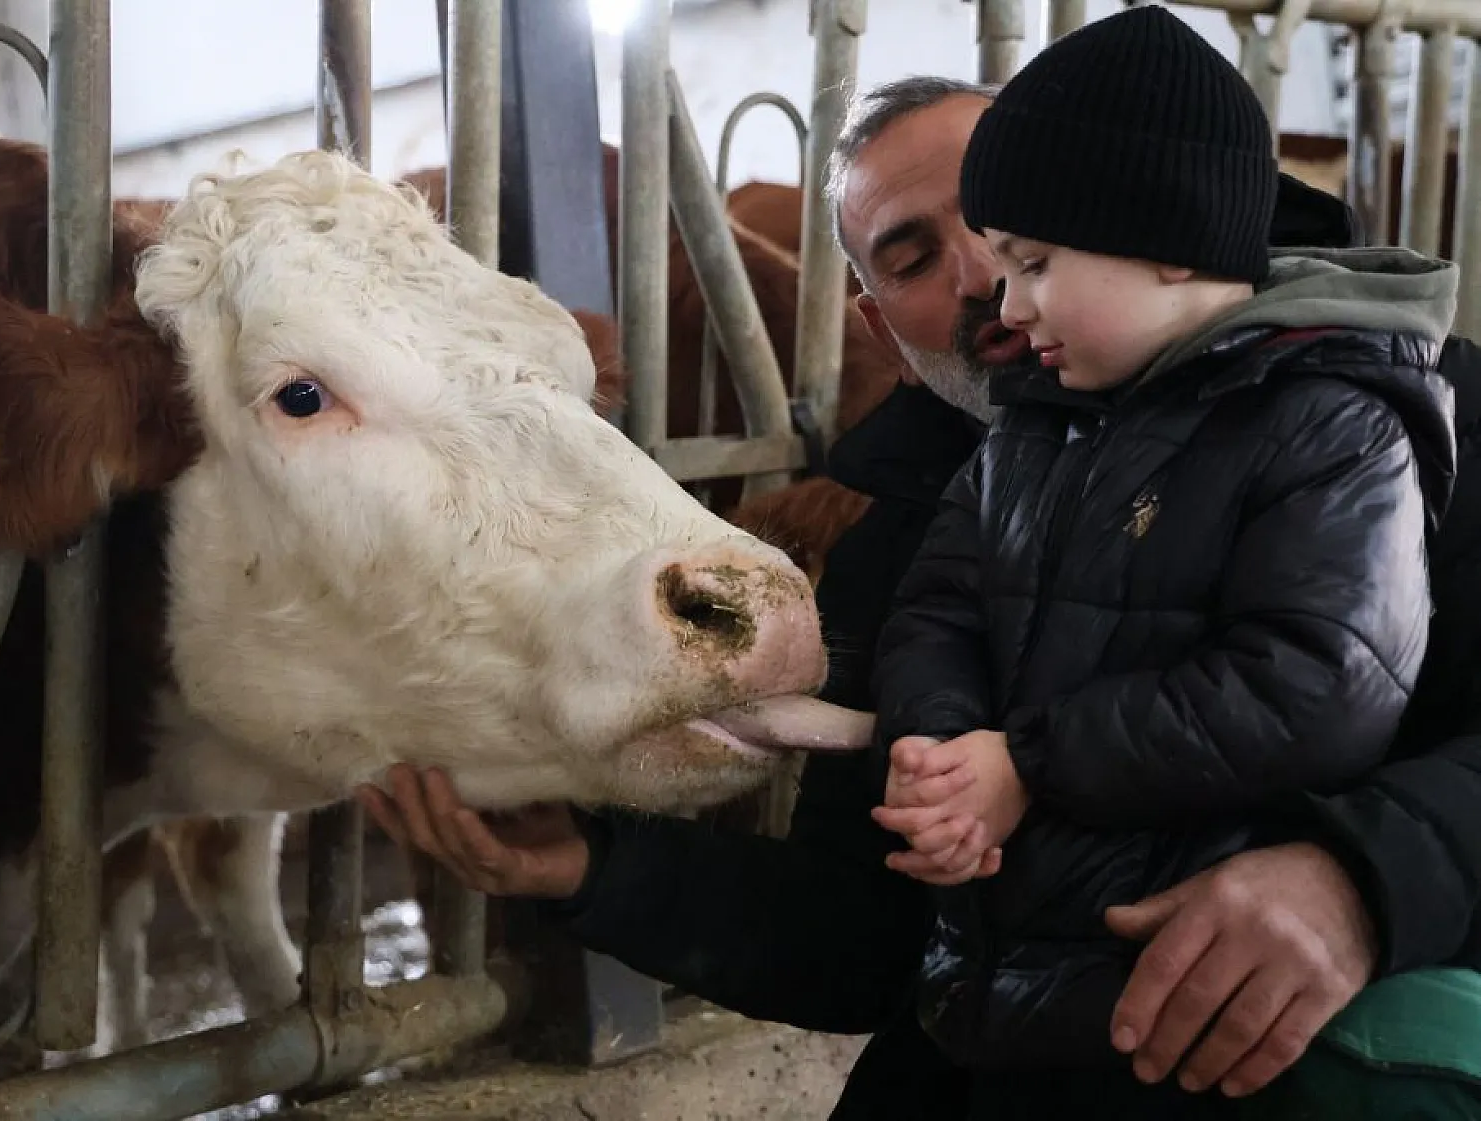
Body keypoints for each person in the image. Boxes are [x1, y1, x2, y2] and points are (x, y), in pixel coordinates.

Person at [358, 64, 1481, 1121]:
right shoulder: (900, 535)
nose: (982, 279)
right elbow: (869, 935)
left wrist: (1369, 880)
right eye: (910, 255)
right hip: (1011, 1059)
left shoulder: (1418, 415)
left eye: (1017, 230)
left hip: (1361, 1050)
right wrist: (596, 867)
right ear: (879, 335)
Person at [866, 6, 1454, 1116]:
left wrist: (1028, 764)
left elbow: (1314, 682)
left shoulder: (1331, 420)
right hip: (999, 979)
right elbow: (934, 607)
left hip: (1197, 1004)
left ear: (1168, 240)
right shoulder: (1034, 428)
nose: (1006, 303)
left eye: (1032, 263)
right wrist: (938, 751)